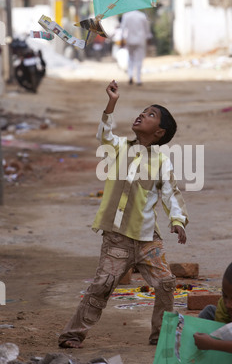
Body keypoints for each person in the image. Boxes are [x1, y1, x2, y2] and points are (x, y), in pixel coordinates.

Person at [58, 80, 188, 349]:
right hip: (116, 238)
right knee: (102, 286)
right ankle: (72, 334)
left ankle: (160, 336)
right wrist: (112, 103)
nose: (142, 114)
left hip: (148, 240)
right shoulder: (118, 147)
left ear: (160, 132)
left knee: (165, 283)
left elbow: (171, 193)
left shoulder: (161, 162)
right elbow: (104, 135)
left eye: (150, 114)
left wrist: (177, 221)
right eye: (143, 110)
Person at [121, 10, 152, 85]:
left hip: (130, 39)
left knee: (131, 58)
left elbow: (123, 28)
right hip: (140, 40)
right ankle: (138, 79)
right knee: (139, 60)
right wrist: (148, 37)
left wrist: (122, 39)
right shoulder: (142, 16)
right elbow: (147, 28)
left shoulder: (126, 16)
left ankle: (130, 75)